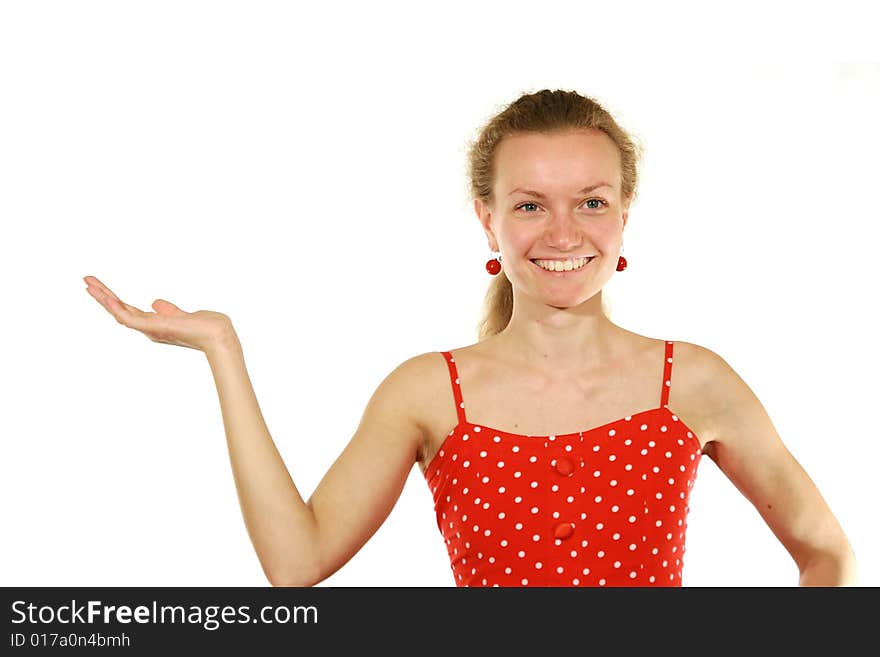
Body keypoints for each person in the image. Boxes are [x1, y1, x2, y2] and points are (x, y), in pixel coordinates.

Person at [83, 88, 856, 588]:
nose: (562, 232)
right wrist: (223, 349)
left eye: (590, 201)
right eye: (529, 206)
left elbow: (826, 550)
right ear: (487, 217)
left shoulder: (692, 380)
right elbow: (296, 560)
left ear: (624, 213)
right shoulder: (426, 391)